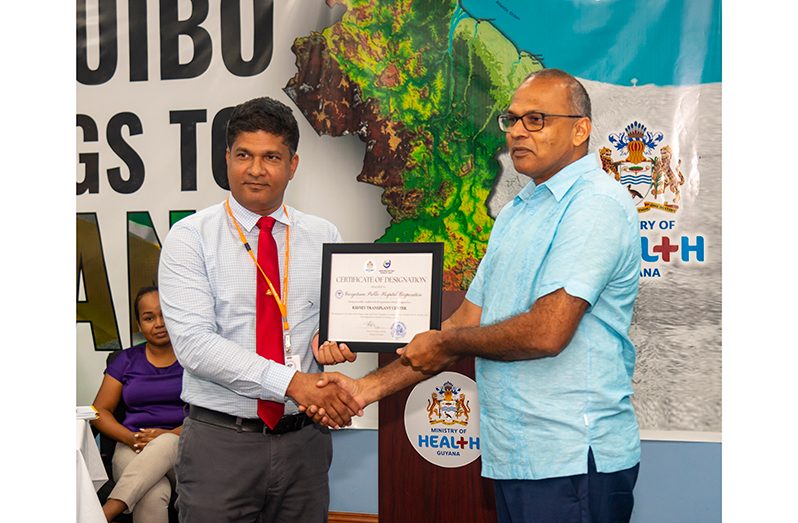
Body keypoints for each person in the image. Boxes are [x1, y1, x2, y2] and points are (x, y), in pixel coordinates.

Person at [312, 69, 643, 523]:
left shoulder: (594, 205)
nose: (518, 131)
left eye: (537, 119)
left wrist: (445, 343)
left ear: (580, 129)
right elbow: (464, 322)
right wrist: (364, 389)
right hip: (515, 455)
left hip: (571, 459)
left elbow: (548, 332)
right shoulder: (516, 213)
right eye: (512, 119)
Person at [158, 96, 362, 523]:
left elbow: (332, 324)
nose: (256, 169)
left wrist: (333, 341)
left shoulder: (325, 235)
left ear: (293, 164)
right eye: (244, 155)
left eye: (271, 156)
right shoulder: (189, 238)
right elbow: (195, 346)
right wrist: (294, 383)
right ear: (227, 158)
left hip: (304, 443)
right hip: (221, 444)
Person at [91, 286, 185, 523]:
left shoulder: (192, 360)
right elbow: (99, 411)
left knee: (166, 442)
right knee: (152, 493)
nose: (159, 323)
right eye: (149, 317)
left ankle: (106, 512)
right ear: (139, 325)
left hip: (183, 445)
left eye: (165, 315)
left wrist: (167, 434)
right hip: (131, 445)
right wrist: (131, 438)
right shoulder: (125, 360)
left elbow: (206, 413)